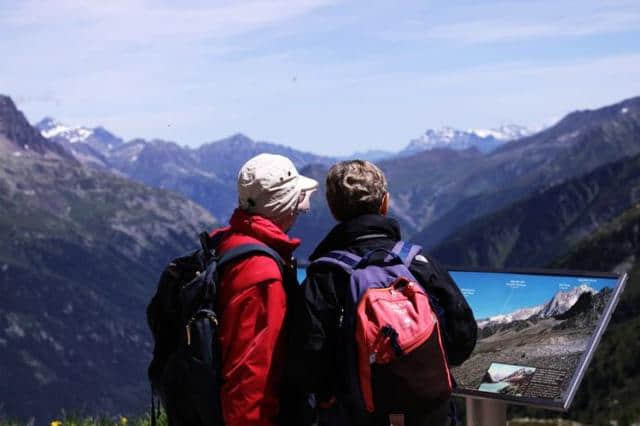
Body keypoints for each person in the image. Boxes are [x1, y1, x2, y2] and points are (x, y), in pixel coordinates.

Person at [293, 160, 477, 426]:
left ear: (334, 210)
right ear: (384, 203)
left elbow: (307, 367)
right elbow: (463, 340)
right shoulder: (419, 263)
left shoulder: (324, 277)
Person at [211, 153, 317, 426]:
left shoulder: (229, 242)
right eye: (297, 199)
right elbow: (250, 375)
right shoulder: (261, 274)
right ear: (283, 204)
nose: (302, 207)